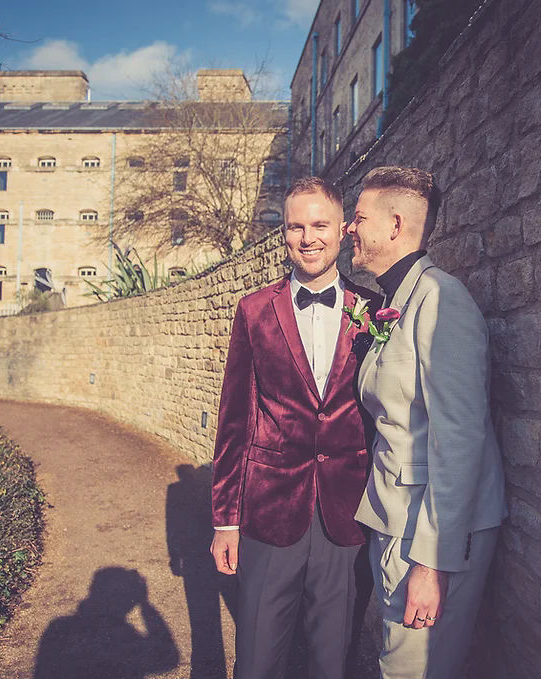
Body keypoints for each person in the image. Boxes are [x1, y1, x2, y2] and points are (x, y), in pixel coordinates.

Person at [210, 177, 378, 679]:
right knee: (258, 657)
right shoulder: (254, 310)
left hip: (346, 514)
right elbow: (234, 421)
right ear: (284, 233)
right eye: (296, 227)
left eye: (319, 225)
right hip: (270, 509)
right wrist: (225, 520)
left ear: (343, 229)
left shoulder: (374, 311)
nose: (308, 238)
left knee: (333, 659)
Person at [345, 166, 506, 679]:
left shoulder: (441, 299)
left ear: (395, 225)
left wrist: (431, 563)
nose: (350, 227)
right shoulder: (397, 300)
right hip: (394, 517)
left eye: (359, 217)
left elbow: (460, 440)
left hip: (428, 533)